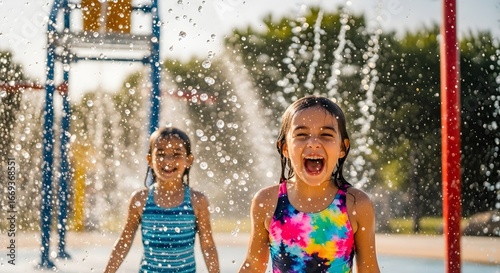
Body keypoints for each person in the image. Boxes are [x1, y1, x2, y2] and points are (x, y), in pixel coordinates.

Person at [239, 95, 380, 273]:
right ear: (285, 148)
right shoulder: (268, 201)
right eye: (302, 135)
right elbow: (252, 266)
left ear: (342, 148)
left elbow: (369, 270)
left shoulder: (357, 204)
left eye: (326, 135)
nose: (313, 143)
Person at [104, 126, 220, 273]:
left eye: (176, 154)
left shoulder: (197, 201)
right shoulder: (140, 200)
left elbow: (208, 245)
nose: (168, 160)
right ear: (149, 160)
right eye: (160, 154)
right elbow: (124, 242)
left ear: (189, 160)